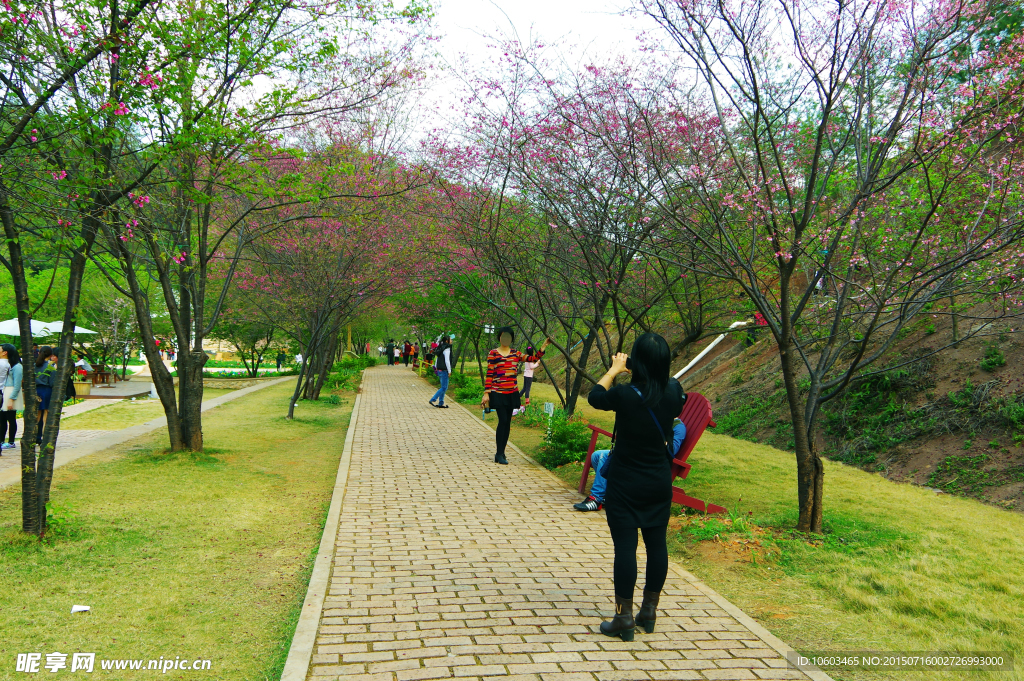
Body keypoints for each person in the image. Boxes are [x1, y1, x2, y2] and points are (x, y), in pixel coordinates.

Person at [587, 332, 686, 641]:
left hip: (625, 483)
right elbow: (668, 391)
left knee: (626, 549)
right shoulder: (673, 392)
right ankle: (649, 611)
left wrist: (616, 369)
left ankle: (623, 617)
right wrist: (642, 370)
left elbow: (595, 396)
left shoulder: (624, 395)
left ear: (636, 362)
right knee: (657, 546)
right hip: (658, 483)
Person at [574, 421, 687, 512]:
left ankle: (596, 499)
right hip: (633, 453)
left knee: (604, 457)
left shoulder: (678, 427)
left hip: (648, 461)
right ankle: (607, 495)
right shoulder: (654, 419)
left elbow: (673, 450)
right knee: (596, 456)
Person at [481, 328, 550, 465]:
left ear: (511, 338)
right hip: (498, 392)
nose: (506, 339)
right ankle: (499, 453)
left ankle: (501, 452)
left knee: (508, 423)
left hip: (511, 392)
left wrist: (544, 346)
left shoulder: (515, 353)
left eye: (508, 336)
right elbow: (490, 373)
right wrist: (486, 393)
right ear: (499, 337)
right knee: (503, 420)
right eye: (503, 336)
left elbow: (533, 358)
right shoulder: (493, 353)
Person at [34, 346, 58, 445]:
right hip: (47, 391)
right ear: (51, 355)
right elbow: (52, 383)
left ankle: (34, 436)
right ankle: (45, 438)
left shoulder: (34, 365)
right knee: (46, 416)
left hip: (36, 390)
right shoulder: (50, 368)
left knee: (36, 416)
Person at [1, 344, 22, 451]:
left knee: (11, 418)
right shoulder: (6, 364)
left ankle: (11, 441)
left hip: (11, 392)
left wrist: (11, 399)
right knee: (2, 419)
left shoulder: (17, 367)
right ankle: (2, 440)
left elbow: (17, 385)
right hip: (4, 392)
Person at [429, 336, 453, 408]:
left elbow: (437, 359)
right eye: (450, 339)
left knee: (444, 387)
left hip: (439, 369)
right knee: (444, 387)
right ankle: (433, 399)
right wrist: (449, 370)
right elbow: (447, 361)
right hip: (444, 370)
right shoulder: (447, 349)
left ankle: (441, 402)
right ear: (446, 341)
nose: (451, 340)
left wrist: (436, 367)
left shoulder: (440, 348)